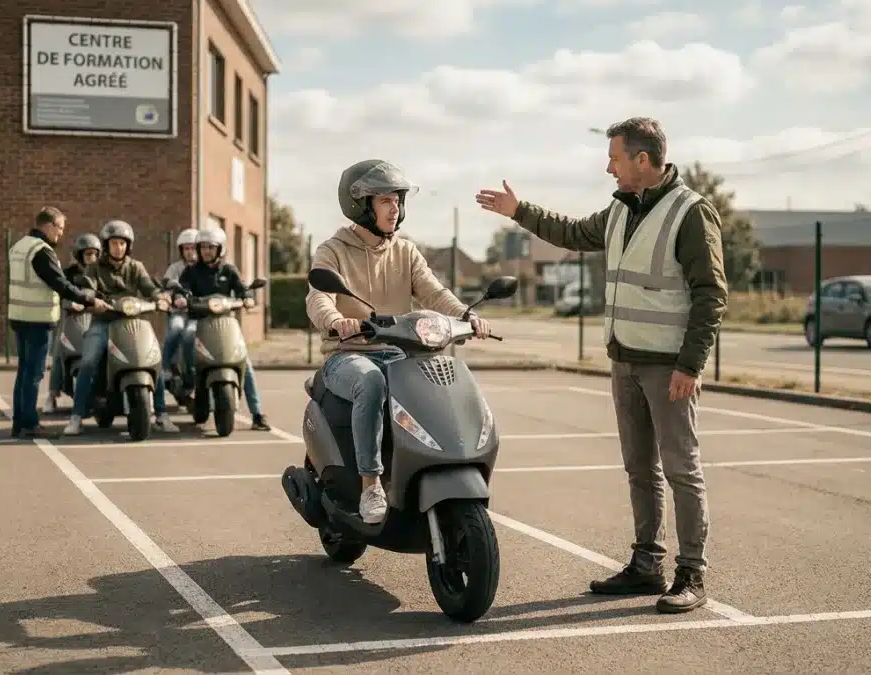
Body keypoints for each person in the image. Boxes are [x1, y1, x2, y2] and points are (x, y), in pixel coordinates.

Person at [474, 117, 727, 614]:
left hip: (669, 368)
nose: (607, 167)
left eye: (614, 158)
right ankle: (646, 565)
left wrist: (690, 365)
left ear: (642, 160)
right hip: (625, 361)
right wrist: (519, 210)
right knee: (640, 468)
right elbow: (570, 232)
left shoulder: (691, 213)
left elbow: (711, 294)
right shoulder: (618, 212)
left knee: (681, 469)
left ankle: (691, 573)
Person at [306, 159, 490, 524]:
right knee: (370, 380)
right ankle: (371, 483)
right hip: (349, 355)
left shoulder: (405, 251)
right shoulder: (333, 251)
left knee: (445, 374)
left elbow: (434, 293)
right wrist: (336, 321)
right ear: (361, 205)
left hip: (398, 352)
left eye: (398, 201)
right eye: (386, 201)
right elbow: (318, 297)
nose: (396, 209)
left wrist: (465, 316)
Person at [61, 219, 180, 436]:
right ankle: (76, 416)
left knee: (154, 359)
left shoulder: (136, 267)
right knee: (88, 361)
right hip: (104, 321)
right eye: (114, 243)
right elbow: (89, 286)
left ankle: (161, 414)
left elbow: (148, 286)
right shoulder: (94, 268)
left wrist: (159, 297)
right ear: (106, 245)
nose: (119, 247)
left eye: (123, 243)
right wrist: (89, 297)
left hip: (134, 321)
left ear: (129, 245)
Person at [6, 207, 110, 439]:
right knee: (33, 374)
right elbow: (60, 283)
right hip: (37, 320)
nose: (61, 234)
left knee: (23, 372)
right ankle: (30, 425)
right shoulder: (41, 251)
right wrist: (89, 299)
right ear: (49, 225)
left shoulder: (19, 246)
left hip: (19, 316)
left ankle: (19, 423)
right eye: (60, 228)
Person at [170, 225, 272, 431]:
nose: (206, 251)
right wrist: (181, 298)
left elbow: (243, 289)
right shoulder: (191, 271)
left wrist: (248, 298)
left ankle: (257, 413)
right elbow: (182, 289)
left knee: (244, 361)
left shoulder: (229, 270)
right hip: (199, 321)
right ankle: (189, 384)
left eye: (211, 247)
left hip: (226, 323)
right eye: (203, 247)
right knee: (188, 336)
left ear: (220, 249)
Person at [43, 232, 102, 414]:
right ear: (79, 255)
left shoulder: (101, 273)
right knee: (61, 349)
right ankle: (52, 395)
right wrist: (70, 303)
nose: (91, 257)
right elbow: (60, 293)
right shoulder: (68, 274)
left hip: (95, 318)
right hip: (71, 319)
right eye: (87, 254)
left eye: (94, 253)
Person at [159, 228, 201, 409]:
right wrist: (168, 298)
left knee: (190, 335)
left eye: (193, 248)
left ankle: (191, 375)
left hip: (197, 314)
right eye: (186, 248)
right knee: (176, 328)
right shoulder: (175, 268)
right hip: (179, 312)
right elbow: (167, 288)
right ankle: (166, 366)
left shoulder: (202, 268)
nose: (190, 252)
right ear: (181, 250)